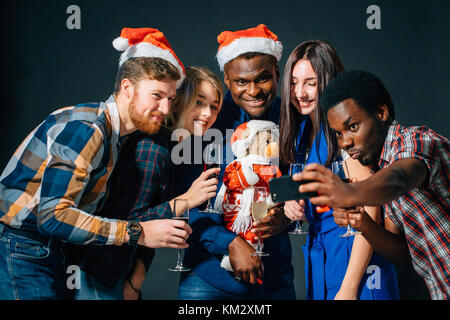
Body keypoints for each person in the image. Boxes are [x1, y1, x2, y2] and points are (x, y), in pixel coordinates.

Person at [0, 27, 194, 300]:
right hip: (23, 248)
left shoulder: (116, 137)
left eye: (170, 99)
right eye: (157, 96)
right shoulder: (89, 128)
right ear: (127, 88)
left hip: (51, 252)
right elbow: (53, 217)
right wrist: (138, 232)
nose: (165, 109)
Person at [64, 65, 220, 299]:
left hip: (117, 274)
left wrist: (137, 279)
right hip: (96, 270)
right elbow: (131, 222)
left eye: (214, 106)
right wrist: (185, 201)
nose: (207, 113)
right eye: (199, 102)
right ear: (179, 101)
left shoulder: (172, 146)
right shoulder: (152, 146)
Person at [296, 70, 450, 300]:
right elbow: (405, 255)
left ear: (381, 112)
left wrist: (349, 193)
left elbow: (399, 178)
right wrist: (364, 224)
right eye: (338, 133)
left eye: (353, 127)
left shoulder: (416, 141)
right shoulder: (379, 169)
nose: (345, 142)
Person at [175, 24, 296, 300]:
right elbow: (182, 201)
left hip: (274, 276)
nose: (253, 90)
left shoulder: (291, 119)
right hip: (208, 279)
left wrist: (284, 217)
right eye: (241, 82)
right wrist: (229, 242)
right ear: (227, 81)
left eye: (263, 79)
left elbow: (294, 177)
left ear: (277, 74)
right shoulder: (206, 119)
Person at [279, 40, 399, 300]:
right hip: (320, 258)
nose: (300, 92)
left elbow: (371, 208)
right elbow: (306, 199)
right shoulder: (299, 133)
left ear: (328, 81)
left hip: (356, 262)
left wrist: (349, 288)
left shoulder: (342, 128)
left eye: (311, 83)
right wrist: (292, 205)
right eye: (293, 82)